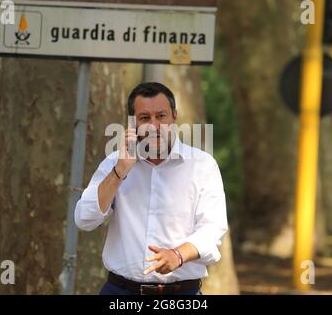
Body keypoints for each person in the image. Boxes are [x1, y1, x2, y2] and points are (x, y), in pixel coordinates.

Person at [74, 82, 228, 295]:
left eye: (161, 116)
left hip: (181, 294)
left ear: (174, 116)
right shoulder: (114, 164)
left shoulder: (202, 165)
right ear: (133, 123)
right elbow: (84, 219)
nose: (154, 126)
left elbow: (212, 229)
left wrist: (178, 255)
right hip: (120, 291)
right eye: (145, 118)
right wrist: (120, 171)